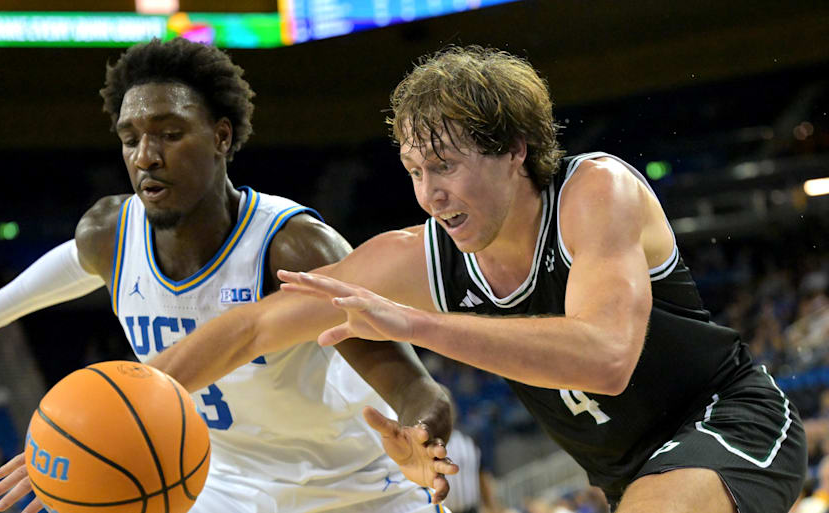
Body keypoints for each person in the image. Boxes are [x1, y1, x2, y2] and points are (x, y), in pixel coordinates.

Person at [108, 46, 806, 512]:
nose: (429, 193)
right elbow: (256, 325)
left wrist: (418, 324)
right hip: (625, 471)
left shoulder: (597, 192)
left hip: (728, 420)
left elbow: (606, 358)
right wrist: (123, 406)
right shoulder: (421, 254)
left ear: (515, 149)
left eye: (445, 165)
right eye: (414, 170)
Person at [0, 38, 456, 513]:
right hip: (224, 487)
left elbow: (414, 388)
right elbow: (69, 264)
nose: (146, 157)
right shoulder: (110, 232)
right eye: (130, 138)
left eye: (170, 134)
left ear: (221, 136)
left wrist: (422, 434)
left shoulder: (293, 246)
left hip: (357, 488)